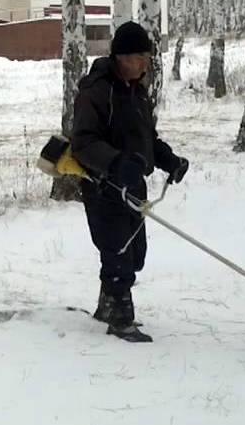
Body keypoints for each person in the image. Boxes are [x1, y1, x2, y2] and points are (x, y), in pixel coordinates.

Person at [71, 21, 189, 343]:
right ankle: (121, 319)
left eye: (147, 57)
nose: (145, 63)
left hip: (133, 184)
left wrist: (168, 160)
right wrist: (115, 163)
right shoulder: (97, 91)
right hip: (104, 186)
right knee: (117, 252)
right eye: (140, 57)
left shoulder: (137, 92)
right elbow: (83, 142)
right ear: (122, 57)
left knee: (135, 253)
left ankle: (107, 305)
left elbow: (146, 138)